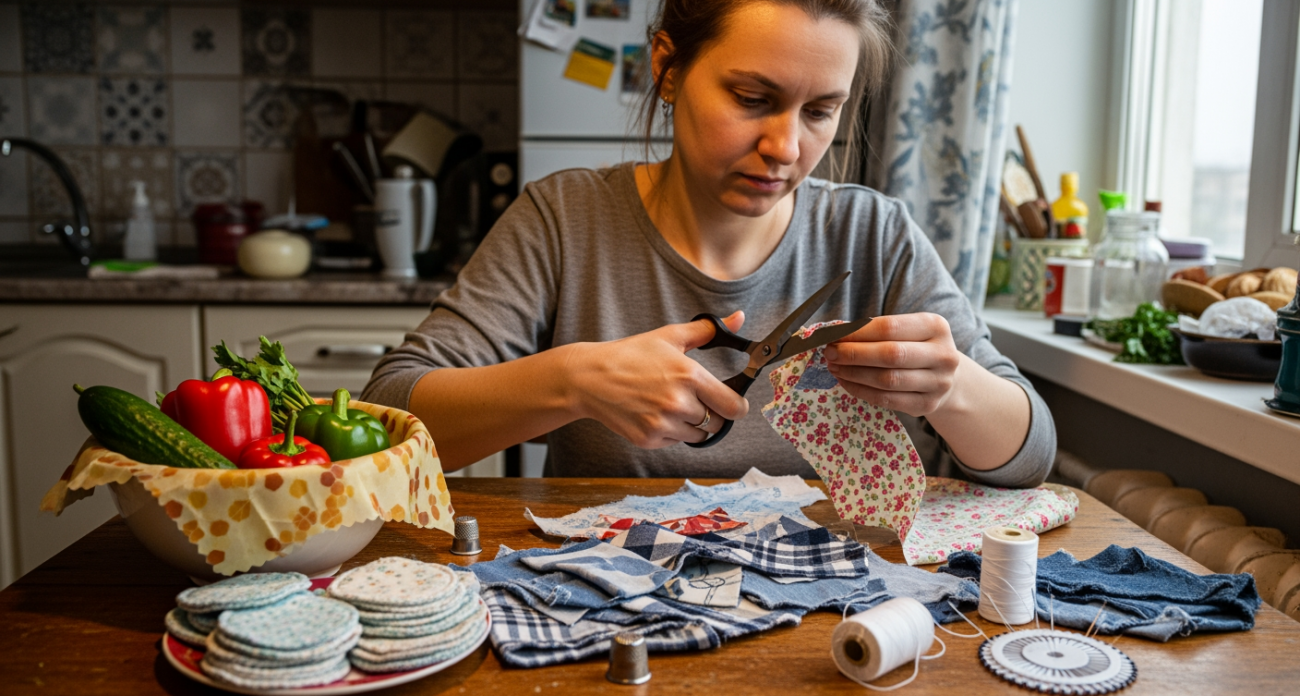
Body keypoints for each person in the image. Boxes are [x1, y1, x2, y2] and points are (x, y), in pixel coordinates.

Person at [362, 0, 1055, 487]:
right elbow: (389, 413)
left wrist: (952, 387)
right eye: (752, 98)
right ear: (667, 68)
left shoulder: (875, 235)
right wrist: (572, 380)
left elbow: (1031, 456)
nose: (785, 147)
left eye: (820, 112)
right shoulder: (563, 218)